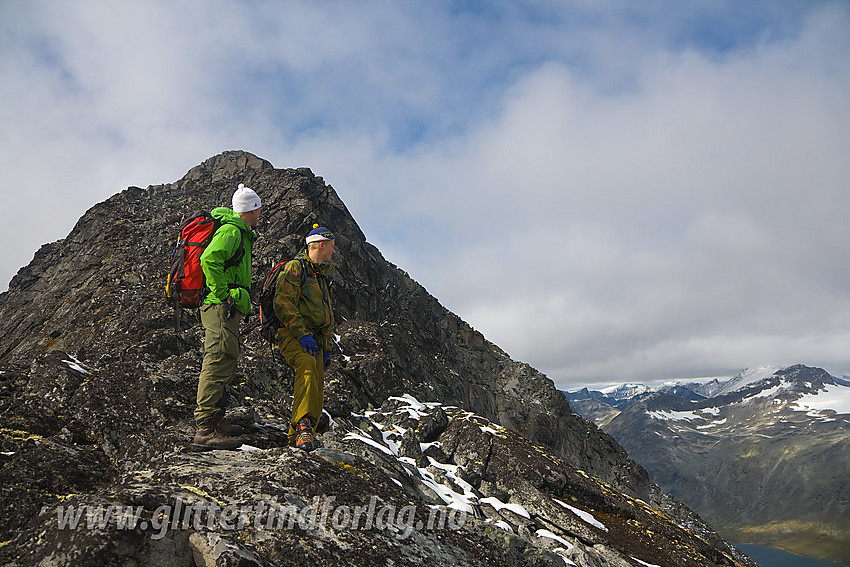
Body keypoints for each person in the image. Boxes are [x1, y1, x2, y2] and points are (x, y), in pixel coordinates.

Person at [193, 183, 261, 450]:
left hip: (225, 307)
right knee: (218, 357)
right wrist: (224, 294)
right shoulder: (232, 231)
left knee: (226, 356)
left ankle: (216, 421)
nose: (259, 214)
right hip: (219, 306)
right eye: (257, 209)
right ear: (249, 210)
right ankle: (205, 428)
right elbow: (209, 259)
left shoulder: (239, 231)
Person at [273, 223, 336, 451]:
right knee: (307, 367)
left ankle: (296, 437)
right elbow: (283, 303)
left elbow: (327, 315)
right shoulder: (295, 269)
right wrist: (301, 334)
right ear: (320, 245)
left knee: (317, 382)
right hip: (292, 334)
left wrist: (327, 346)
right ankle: (303, 428)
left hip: (316, 338)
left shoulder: (321, 276)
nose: (334, 251)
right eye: (331, 246)